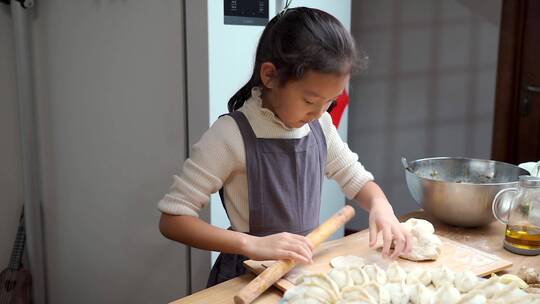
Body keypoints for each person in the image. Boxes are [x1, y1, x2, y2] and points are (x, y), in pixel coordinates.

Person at [158, 6, 412, 287]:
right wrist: (252, 244)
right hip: (245, 276)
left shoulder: (320, 126)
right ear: (269, 76)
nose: (319, 112)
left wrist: (380, 204)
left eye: (330, 101)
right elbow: (173, 220)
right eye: (310, 100)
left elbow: (354, 178)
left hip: (302, 273)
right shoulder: (230, 135)